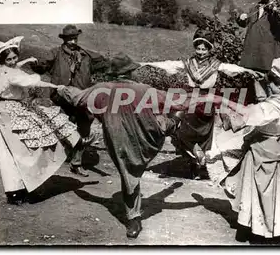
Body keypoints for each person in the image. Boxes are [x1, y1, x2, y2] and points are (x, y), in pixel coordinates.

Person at [57, 52, 244, 239]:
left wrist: (60, 88)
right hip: (147, 136)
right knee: (166, 123)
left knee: (128, 173)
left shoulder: (100, 89)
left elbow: (76, 97)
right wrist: (222, 100)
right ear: (130, 73)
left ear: (112, 74)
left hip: (119, 140)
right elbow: (187, 101)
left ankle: (133, 218)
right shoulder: (144, 90)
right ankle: (134, 217)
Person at [139, 28, 263, 179]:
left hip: (205, 102)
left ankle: (199, 162)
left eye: (204, 49)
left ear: (210, 49)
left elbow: (232, 69)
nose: (200, 52)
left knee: (201, 134)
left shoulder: (216, 65)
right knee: (183, 130)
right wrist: (144, 64)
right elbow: (168, 64)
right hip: (191, 98)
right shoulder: (188, 63)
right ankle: (195, 161)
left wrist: (249, 71)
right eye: (198, 48)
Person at [219, 58, 280, 244]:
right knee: (278, 191)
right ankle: (279, 226)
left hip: (262, 148)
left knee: (257, 190)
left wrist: (226, 111)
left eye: (270, 83)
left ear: (277, 85)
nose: (268, 87)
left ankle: (259, 229)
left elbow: (247, 117)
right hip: (278, 145)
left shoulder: (271, 107)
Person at [0, 36, 81, 205]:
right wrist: (56, 87)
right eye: (9, 59)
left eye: (14, 57)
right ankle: (16, 191)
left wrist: (25, 61)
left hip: (8, 109)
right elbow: (34, 82)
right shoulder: (11, 76)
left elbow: (15, 67)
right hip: (9, 112)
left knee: (18, 151)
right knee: (20, 151)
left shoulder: (3, 69)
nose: (12, 61)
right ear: (3, 60)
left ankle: (19, 189)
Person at [31, 24, 108, 176]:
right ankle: (58, 157)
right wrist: (34, 64)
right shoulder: (55, 53)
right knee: (63, 126)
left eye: (75, 38)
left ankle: (76, 162)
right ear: (64, 40)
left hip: (81, 97)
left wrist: (92, 55)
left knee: (84, 126)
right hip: (61, 97)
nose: (73, 42)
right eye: (69, 39)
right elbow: (42, 67)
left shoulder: (85, 56)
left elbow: (104, 64)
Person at [236, 0, 280, 104]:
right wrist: (240, 17)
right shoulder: (254, 8)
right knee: (256, 79)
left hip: (266, 53)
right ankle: (260, 103)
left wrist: (274, 10)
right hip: (253, 51)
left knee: (270, 80)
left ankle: (272, 104)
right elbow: (244, 23)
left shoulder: (274, 10)